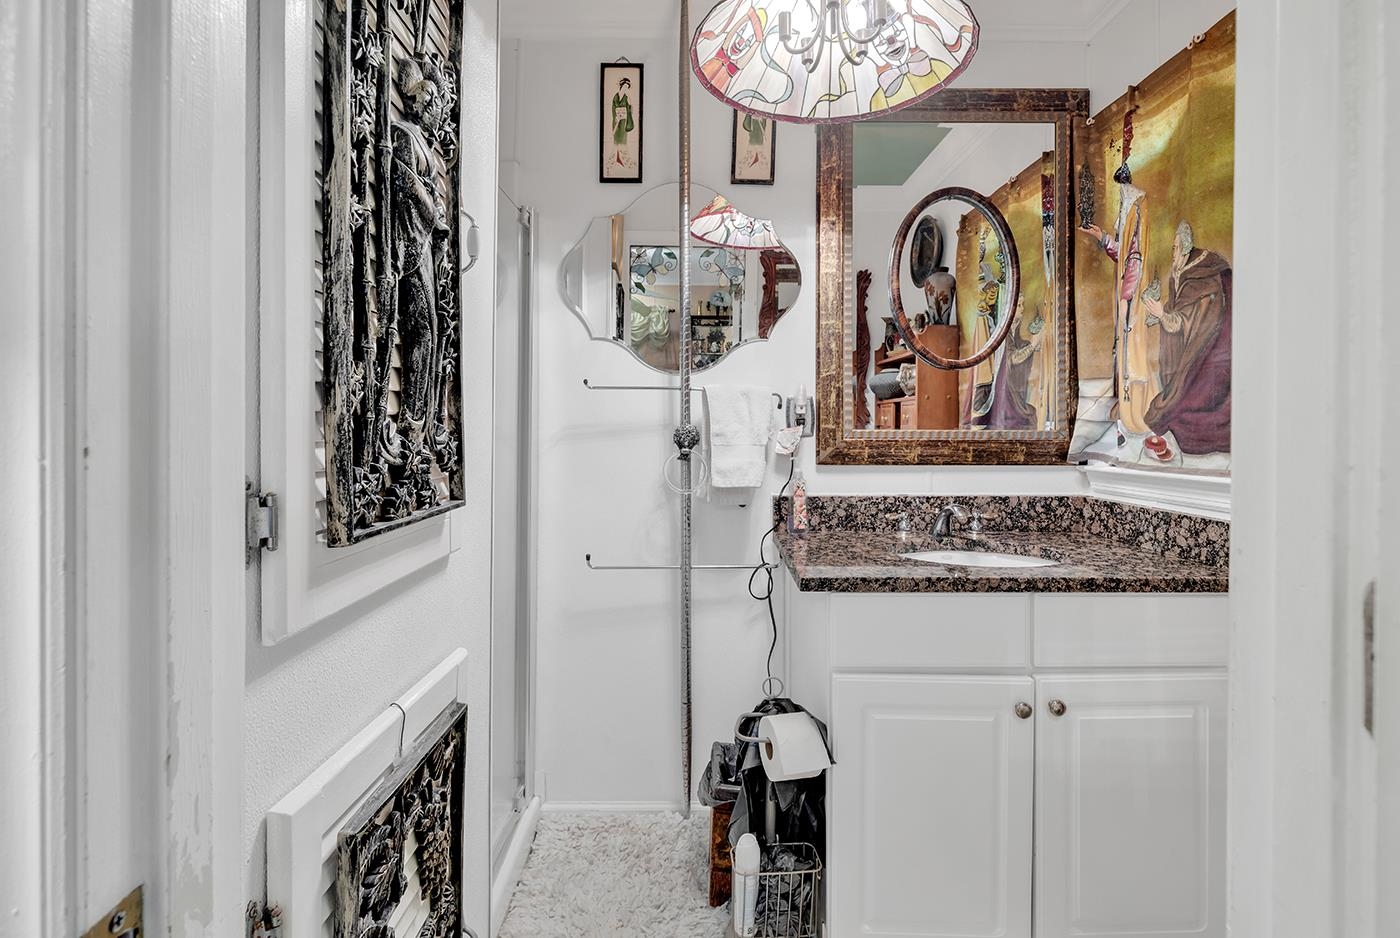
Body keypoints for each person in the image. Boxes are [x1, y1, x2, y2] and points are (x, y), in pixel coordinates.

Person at [1079, 161, 1159, 438]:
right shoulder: (1129, 206)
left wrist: (1127, 295)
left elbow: (1135, 256)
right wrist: (1103, 238)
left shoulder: (1137, 204)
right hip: (1125, 290)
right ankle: (1124, 414)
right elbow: (1123, 253)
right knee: (1122, 350)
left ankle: (1135, 414)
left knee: (1132, 350)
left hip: (1132, 293)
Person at [1140, 221, 1233, 456]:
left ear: (1184, 248)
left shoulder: (1200, 279)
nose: (1172, 253)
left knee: (1179, 409)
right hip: (1200, 346)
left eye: (1174, 248)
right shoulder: (1181, 274)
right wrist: (1159, 316)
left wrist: (1162, 315)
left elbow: (1185, 321)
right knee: (1167, 402)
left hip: (1210, 351)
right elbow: (1176, 309)